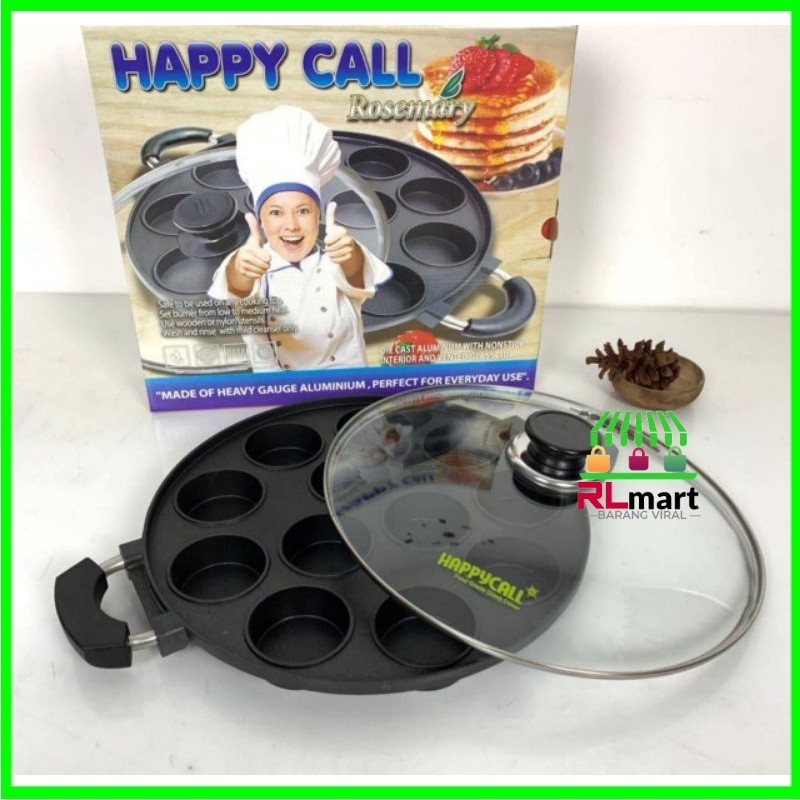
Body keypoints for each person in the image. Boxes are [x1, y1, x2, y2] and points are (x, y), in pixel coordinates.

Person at [208, 106, 391, 371]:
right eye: (276, 213)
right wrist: (240, 267)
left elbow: (356, 277)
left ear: (318, 216)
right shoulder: (252, 263)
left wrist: (350, 252)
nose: (291, 225)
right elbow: (237, 289)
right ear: (260, 220)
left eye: (303, 211)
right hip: (279, 389)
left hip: (347, 384)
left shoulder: (335, 258)